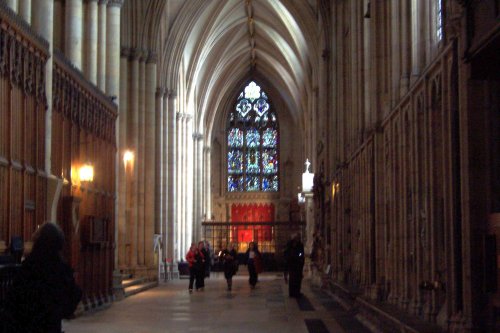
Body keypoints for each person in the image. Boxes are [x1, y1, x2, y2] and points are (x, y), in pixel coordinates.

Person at [0, 223, 82, 333]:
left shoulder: (29, 266)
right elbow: (73, 298)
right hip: (50, 326)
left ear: (38, 241)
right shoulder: (61, 268)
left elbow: (13, 300)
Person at [284, 233, 305, 297]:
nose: (297, 239)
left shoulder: (300, 245)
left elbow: (301, 253)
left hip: (298, 264)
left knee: (298, 279)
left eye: (297, 238)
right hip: (291, 263)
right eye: (295, 238)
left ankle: (297, 292)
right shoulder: (289, 245)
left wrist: (299, 256)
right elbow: (287, 253)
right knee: (292, 279)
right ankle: (292, 292)